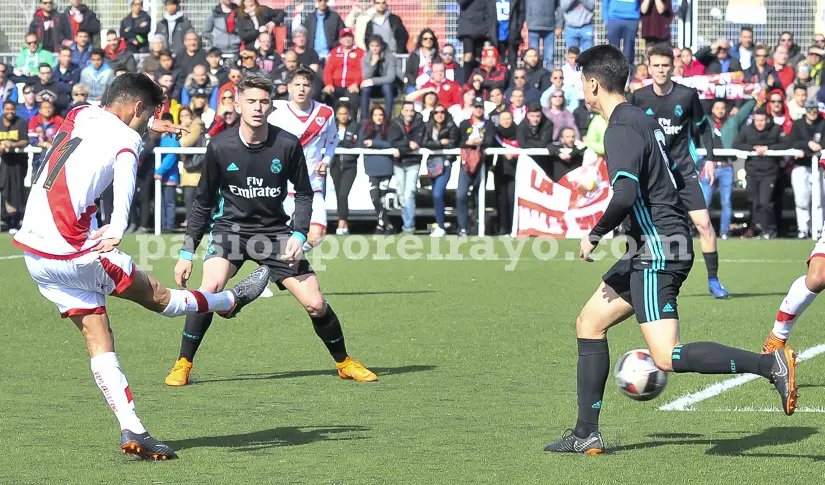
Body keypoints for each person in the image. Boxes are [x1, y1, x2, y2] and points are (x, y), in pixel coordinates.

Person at [543, 44, 798, 455]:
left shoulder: (621, 127)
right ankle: (585, 432)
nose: (581, 93)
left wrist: (595, 233)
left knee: (664, 355)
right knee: (589, 322)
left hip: (657, 248)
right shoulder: (640, 119)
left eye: (581, 85)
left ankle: (769, 365)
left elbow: (624, 193)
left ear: (593, 83)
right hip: (656, 242)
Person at [13, 73, 271, 460]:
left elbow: (118, 115)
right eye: (147, 113)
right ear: (136, 109)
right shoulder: (127, 139)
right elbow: (125, 179)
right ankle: (227, 301)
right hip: (77, 251)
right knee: (161, 298)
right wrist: (117, 227)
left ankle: (132, 428)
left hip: (34, 252)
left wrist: (150, 121)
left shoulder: (80, 113)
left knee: (99, 340)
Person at [167, 75, 377, 386]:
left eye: (264, 102)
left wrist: (299, 234)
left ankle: (345, 362)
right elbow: (203, 202)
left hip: (275, 234)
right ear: (237, 104)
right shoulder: (221, 146)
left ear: (271, 106)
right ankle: (183, 362)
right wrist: (187, 252)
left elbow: (305, 193)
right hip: (230, 232)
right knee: (207, 291)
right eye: (250, 101)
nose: (257, 107)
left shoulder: (287, 143)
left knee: (315, 303)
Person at [628, 43, 728, 299]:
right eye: (656, 66)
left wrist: (709, 159)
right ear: (648, 68)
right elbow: (630, 134)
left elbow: (704, 128)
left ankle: (713, 280)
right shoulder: (639, 98)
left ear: (673, 67)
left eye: (665, 65)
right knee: (646, 229)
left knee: (704, 225)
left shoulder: (687, 95)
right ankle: (639, 277)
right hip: (653, 175)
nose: (661, 70)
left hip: (683, 172)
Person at [268, 68, 338, 250]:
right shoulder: (276, 117)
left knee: (316, 235)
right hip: (283, 187)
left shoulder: (325, 113)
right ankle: (277, 264)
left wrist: (326, 160)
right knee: (275, 236)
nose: (301, 89)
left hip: (312, 186)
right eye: (297, 84)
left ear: (312, 87)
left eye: (305, 85)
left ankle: (284, 259)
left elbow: (333, 140)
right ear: (289, 87)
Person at [702, 98, 755, 239]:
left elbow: (746, 109)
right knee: (705, 201)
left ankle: (725, 231)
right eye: (717, 108)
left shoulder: (732, 122)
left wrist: (757, 95)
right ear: (712, 109)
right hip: (709, 167)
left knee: (726, 202)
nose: (720, 110)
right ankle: (704, 230)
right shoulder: (705, 120)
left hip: (726, 168)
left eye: (722, 108)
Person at [733, 108, 789, 238]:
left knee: (766, 203)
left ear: (767, 119)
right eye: (757, 120)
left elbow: (787, 144)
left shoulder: (776, 129)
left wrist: (768, 149)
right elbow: (736, 143)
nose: (759, 123)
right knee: (755, 202)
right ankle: (756, 229)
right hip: (752, 172)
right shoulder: (747, 129)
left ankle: (770, 230)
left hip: (770, 172)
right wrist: (753, 149)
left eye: (762, 120)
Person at [785, 99, 824, 239]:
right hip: (801, 166)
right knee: (802, 200)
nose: (812, 113)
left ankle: (818, 229)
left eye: (814, 110)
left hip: (818, 167)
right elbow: (791, 142)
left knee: (819, 200)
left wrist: (809, 148)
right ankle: (803, 229)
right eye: (809, 110)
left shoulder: (822, 123)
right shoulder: (798, 124)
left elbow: (822, 144)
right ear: (805, 111)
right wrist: (808, 145)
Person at [457, 97, 494, 236]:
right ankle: (462, 227)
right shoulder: (464, 124)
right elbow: (458, 141)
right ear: (472, 108)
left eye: (481, 107)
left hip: (482, 163)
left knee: (480, 196)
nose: (478, 109)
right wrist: (469, 142)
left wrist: (478, 143)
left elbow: (489, 141)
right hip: (466, 164)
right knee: (461, 195)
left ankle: (478, 225)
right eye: (476, 107)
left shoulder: (489, 125)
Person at [422, 104, 460, 237]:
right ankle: (439, 224)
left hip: (445, 163)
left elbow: (453, 143)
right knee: (436, 195)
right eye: (436, 112)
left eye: (442, 112)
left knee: (438, 194)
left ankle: (441, 227)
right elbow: (425, 142)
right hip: (432, 163)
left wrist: (442, 144)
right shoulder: (428, 126)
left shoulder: (451, 125)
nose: (439, 114)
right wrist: (440, 143)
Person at [388, 101, 425, 233]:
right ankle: (406, 224)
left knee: (409, 193)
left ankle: (409, 226)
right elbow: (393, 141)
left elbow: (418, 143)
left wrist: (401, 148)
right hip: (398, 163)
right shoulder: (395, 123)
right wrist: (407, 143)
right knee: (401, 194)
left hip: (413, 162)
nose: (409, 113)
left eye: (411, 111)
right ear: (402, 111)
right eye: (407, 110)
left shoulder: (420, 124)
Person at [360, 104, 396, 233]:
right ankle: (386, 223)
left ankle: (380, 225)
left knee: (383, 197)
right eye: (375, 115)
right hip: (371, 167)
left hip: (386, 166)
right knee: (375, 197)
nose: (378, 117)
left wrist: (374, 143)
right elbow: (361, 143)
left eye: (380, 115)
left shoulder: (390, 128)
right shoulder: (365, 128)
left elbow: (392, 144)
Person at [0, 100, 30, 233]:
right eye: (7, 109)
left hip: (18, 162)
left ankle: (15, 221)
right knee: (3, 189)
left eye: (12, 109)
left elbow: (25, 140)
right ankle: (4, 220)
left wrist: (12, 144)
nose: (9, 112)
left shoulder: (21, 122)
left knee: (17, 190)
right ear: (3, 110)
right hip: (2, 162)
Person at [330, 103, 360, 235]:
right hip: (335, 164)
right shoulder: (331, 127)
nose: (343, 116)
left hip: (350, 165)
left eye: (345, 113)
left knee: (343, 194)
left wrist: (342, 143)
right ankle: (343, 223)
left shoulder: (355, 126)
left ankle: (341, 223)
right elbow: (329, 142)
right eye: (340, 113)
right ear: (336, 115)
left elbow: (356, 144)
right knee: (339, 195)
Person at [177, 107, 205, 227]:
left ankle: (198, 225)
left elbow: (184, 143)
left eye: (186, 115)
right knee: (188, 199)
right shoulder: (180, 128)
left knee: (197, 200)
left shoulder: (196, 125)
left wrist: (182, 129)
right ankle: (191, 224)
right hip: (187, 170)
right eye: (181, 116)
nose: (184, 119)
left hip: (197, 169)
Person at [493, 110, 518, 235]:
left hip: (515, 171)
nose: (506, 121)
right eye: (503, 119)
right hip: (500, 170)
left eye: (508, 118)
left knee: (512, 198)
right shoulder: (496, 134)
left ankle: (513, 227)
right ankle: (503, 228)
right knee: (501, 200)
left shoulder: (518, 131)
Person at [359, 35, 396, 119]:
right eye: (372, 46)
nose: (374, 49)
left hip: (385, 87)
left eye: (377, 46)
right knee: (365, 88)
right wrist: (373, 64)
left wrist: (372, 81)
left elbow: (390, 77)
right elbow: (365, 77)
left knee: (387, 87)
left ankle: (387, 118)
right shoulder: (365, 58)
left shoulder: (390, 58)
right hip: (371, 89)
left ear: (381, 46)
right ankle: (364, 120)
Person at [457, 0, 497, 69]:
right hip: (467, 28)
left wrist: (488, 27)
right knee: (468, 55)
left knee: (478, 57)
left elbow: (489, 9)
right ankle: (466, 78)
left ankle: (477, 76)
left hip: (481, 28)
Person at [526, 0, 561, 68]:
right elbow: (522, 7)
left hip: (549, 27)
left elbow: (559, 7)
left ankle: (548, 78)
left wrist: (559, 25)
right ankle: (534, 78)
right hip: (533, 26)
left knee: (549, 58)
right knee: (533, 57)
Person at [404, 29, 440, 93]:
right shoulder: (414, 55)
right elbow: (408, 73)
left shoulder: (437, 56)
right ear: (421, 40)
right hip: (416, 85)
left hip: (433, 84)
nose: (428, 41)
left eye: (431, 38)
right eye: (425, 38)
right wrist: (415, 84)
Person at [498, 0, 525, 68]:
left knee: (512, 61)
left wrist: (518, 28)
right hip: (497, 33)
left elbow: (521, 12)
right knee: (499, 62)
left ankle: (512, 77)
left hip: (513, 32)